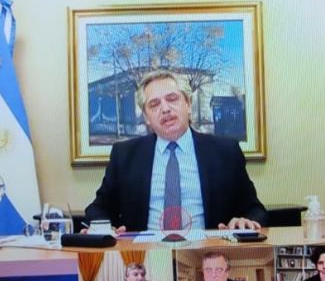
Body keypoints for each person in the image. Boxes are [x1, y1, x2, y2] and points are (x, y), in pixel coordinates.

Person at [85, 70, 268, 233]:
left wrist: (245, 221)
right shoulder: (125, 155)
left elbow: (255, 210)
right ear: (146, 117)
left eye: (172, 99)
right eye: (154, 104)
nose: (165, 109)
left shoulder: (225, 151)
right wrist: (104, 228)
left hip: (207, 253)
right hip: (145, 254)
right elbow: (97, 209)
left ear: (188, 104)